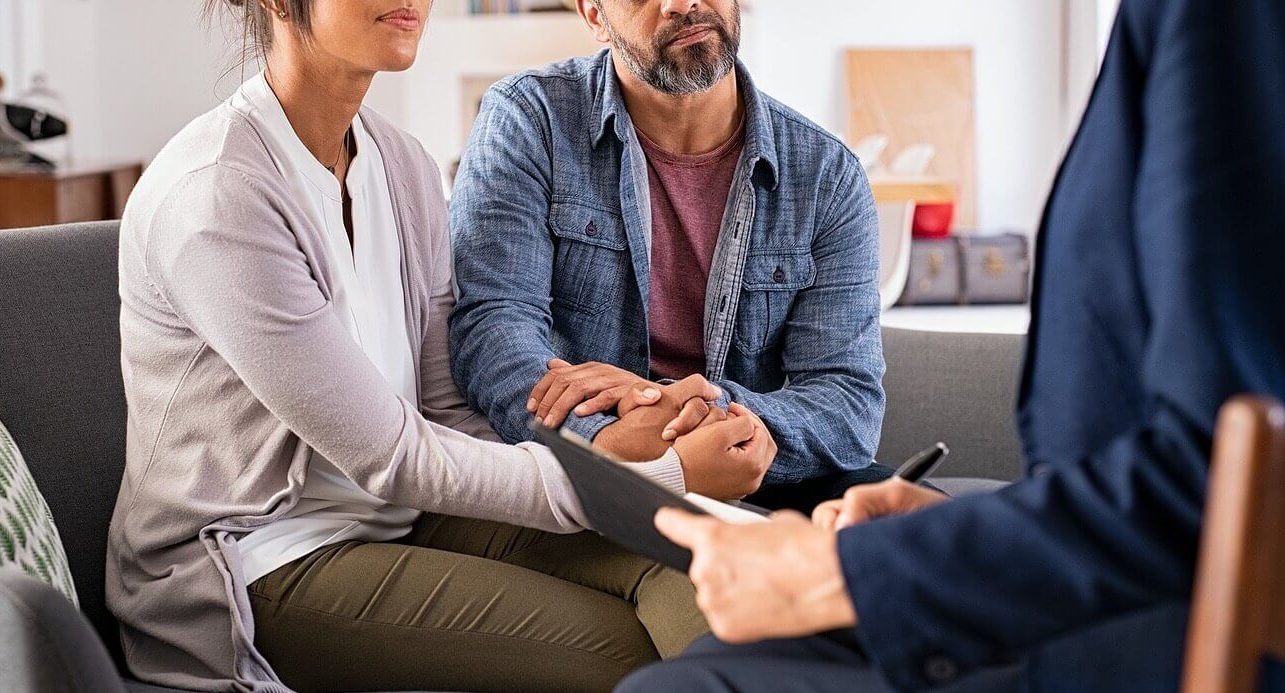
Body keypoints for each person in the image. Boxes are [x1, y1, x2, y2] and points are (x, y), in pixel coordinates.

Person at [619, 0, 1285, 690]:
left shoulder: (1225, 24)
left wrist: (843, 574)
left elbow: (1224, 486)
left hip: (1137, 646)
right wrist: (947, 525)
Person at [106, 1, 729, 690]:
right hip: (262, 560)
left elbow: (446, 411)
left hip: (407, 517)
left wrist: (618, 435)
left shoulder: (401, 164)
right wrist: (648, 474)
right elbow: (391, 456)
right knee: (614, 648)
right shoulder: (218, 195)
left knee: (696, 562)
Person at [448, 0, 887, 509]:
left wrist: (706, 411)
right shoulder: (530, 120)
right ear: (595, 16)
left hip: (756, 461)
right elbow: (494, 328)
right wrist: (611, 444)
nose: (684, 4)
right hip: (595, 468)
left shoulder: (827, 175)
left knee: (922, 526)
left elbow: (846, 399)